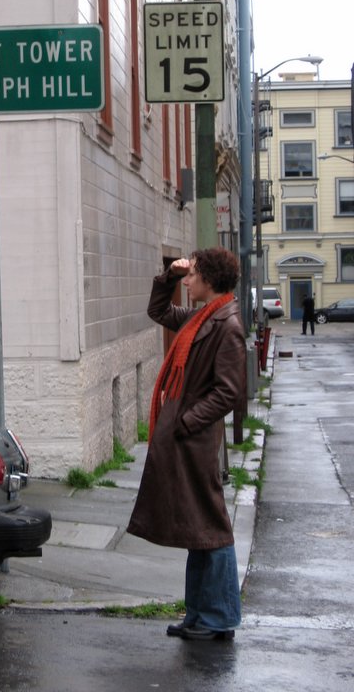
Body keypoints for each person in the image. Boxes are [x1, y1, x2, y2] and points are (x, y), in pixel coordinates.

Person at [127, 247, 246, 642]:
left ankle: (218, 617)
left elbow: (228, 392)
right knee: (199, 528)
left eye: (193, 274)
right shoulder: (203, 317)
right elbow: (159, 312)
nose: (188, 281)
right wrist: (170, 276)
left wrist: (186, 422)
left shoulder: (226, 325)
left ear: (209, 279)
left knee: (211, 527)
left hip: (195, 440)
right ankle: (198, 614)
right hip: (186, 437)